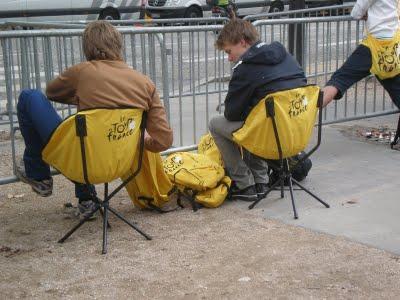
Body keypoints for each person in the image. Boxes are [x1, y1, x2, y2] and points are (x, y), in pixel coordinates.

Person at [16, 21, 173, 218]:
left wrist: (84, 97)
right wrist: (137, 140)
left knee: (29, 97)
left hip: (83, 161)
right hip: (119, 164)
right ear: (118, 44)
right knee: (86, 133)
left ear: (87, 47)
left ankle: (38, 174)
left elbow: (52, 92)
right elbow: (164, 141)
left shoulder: (82, 72)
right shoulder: (145, 84)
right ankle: (86, 198)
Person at [209, 19, 307, 201]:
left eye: (229, 51)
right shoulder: (287, 56)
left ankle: (244, 184)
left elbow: (231, 114)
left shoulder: (245, 69)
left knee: (217, 124)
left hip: (269, 138)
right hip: (297, 133)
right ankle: (261, 181)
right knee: (255, 117)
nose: (229, 58)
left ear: (243, 42)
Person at [322, 0, 400, 108]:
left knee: (340, 79)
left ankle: (308, 111)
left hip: (373, 45)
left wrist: (367, 13)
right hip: (394, 45)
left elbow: (356, 12)